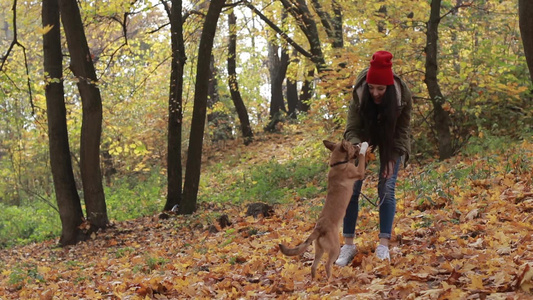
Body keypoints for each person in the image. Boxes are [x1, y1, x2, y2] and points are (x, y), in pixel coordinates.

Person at [335, 50, 412, 265]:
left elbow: (403, 131)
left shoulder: (401, 96)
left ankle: (383, 246)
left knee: (387, 185)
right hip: (363, 137)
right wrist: (359, 148)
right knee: (352, 187)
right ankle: (348, 245)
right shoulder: (360, 93)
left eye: (380, 88)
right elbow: (351, 128)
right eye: (372, 87)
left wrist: (393, 156)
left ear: (388, 87)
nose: (375, 92)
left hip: (391, 138)